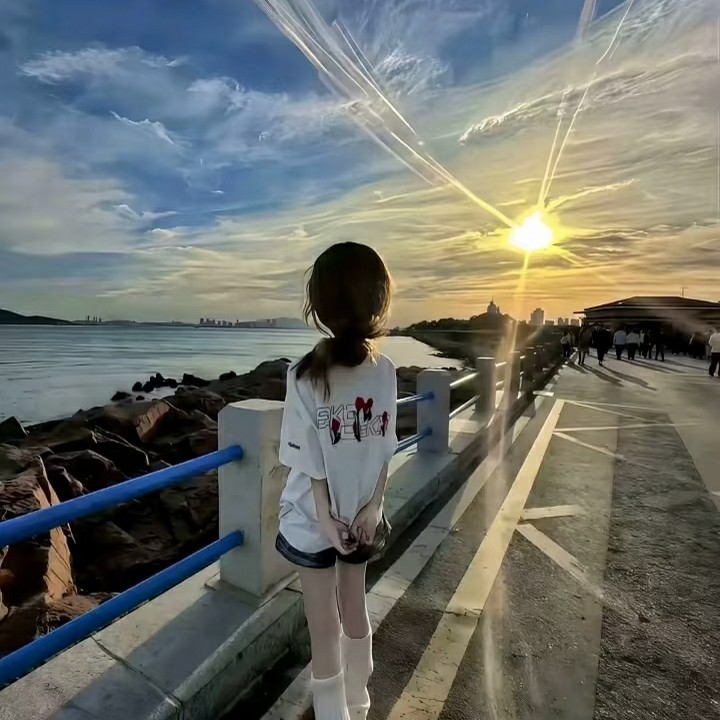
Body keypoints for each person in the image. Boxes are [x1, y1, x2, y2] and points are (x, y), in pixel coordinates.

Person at [275, 242, 397, 720]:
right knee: (354, 607)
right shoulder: (385, 371)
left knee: (322, 623)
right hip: (362, 516)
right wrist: (372, 507)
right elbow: (384, 447)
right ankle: (359, 704)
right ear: (378, 300)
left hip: (312, 520)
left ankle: (335, 714)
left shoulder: (303, 375)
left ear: (319, 305)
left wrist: (325, 519)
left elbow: (308, 461)